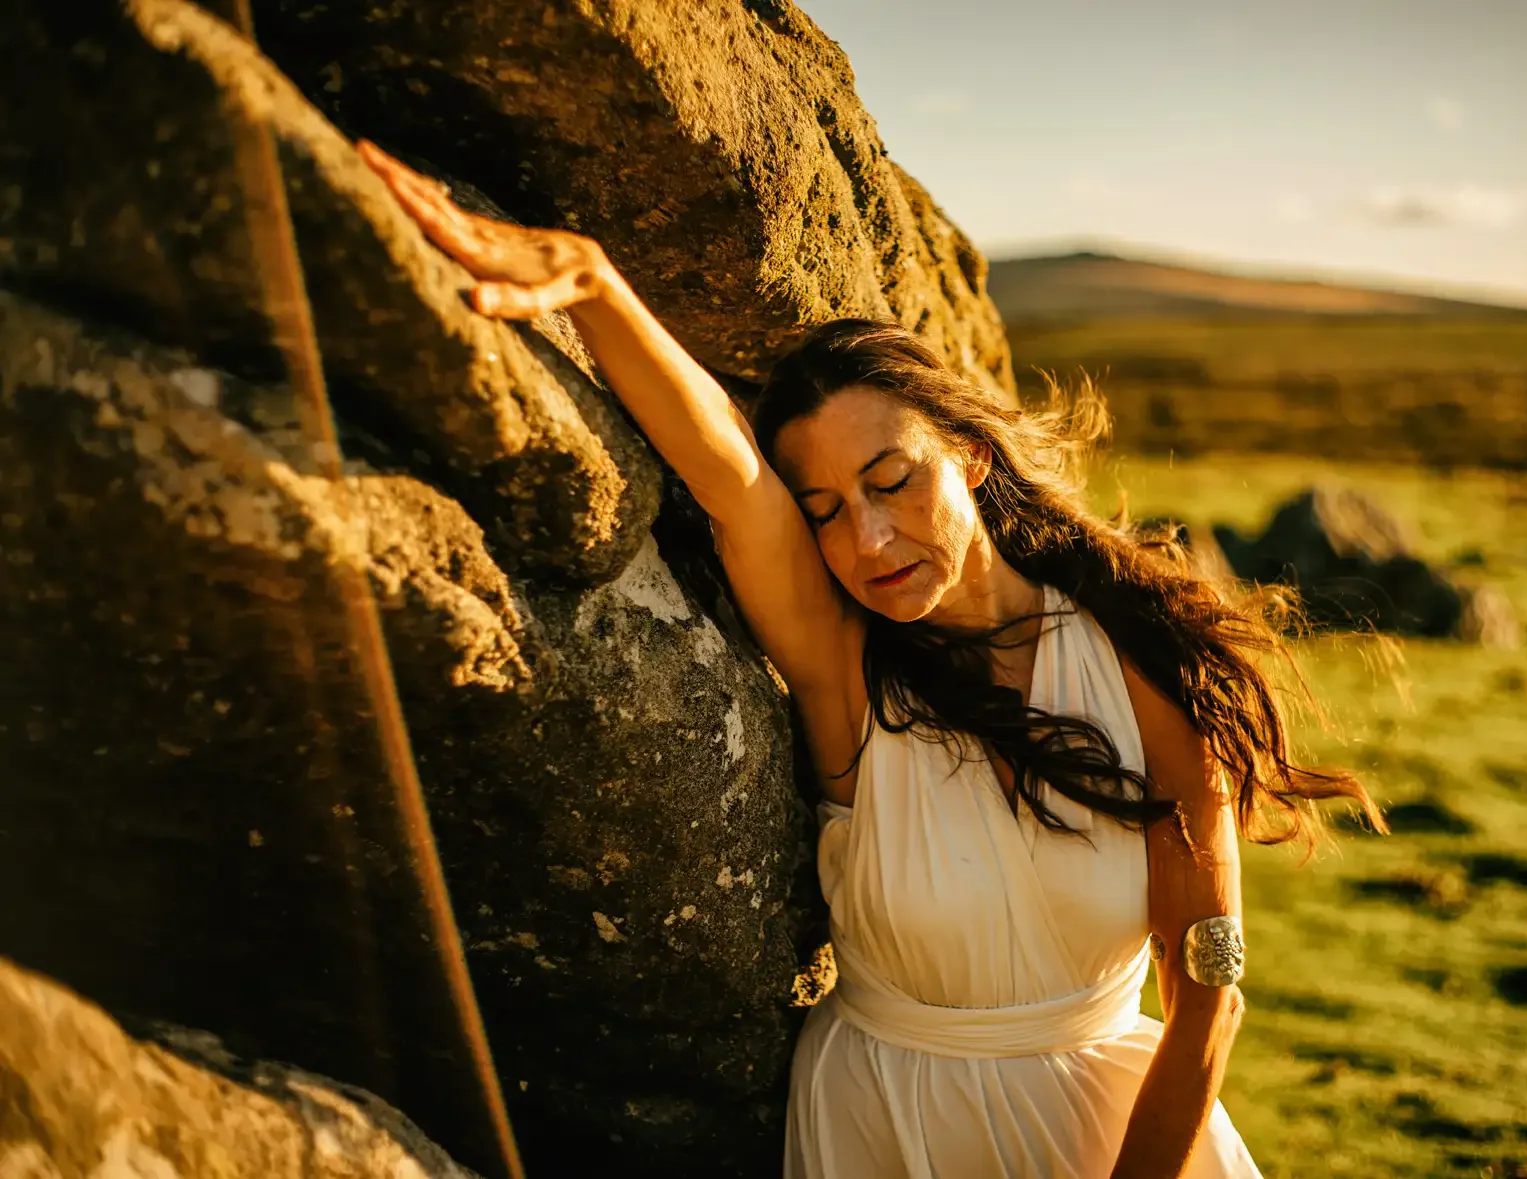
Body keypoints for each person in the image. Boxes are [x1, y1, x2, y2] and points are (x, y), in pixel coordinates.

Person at [359, 140, 1381, 1179]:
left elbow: (1206, 987)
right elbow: (733, 485)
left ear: (969, 456)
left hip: (1120, 1132)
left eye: (891, 481)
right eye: (829, 512)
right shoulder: (845, 675)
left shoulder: (1138, 660)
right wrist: (592, 284)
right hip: (887, 1127)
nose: (868, 543)